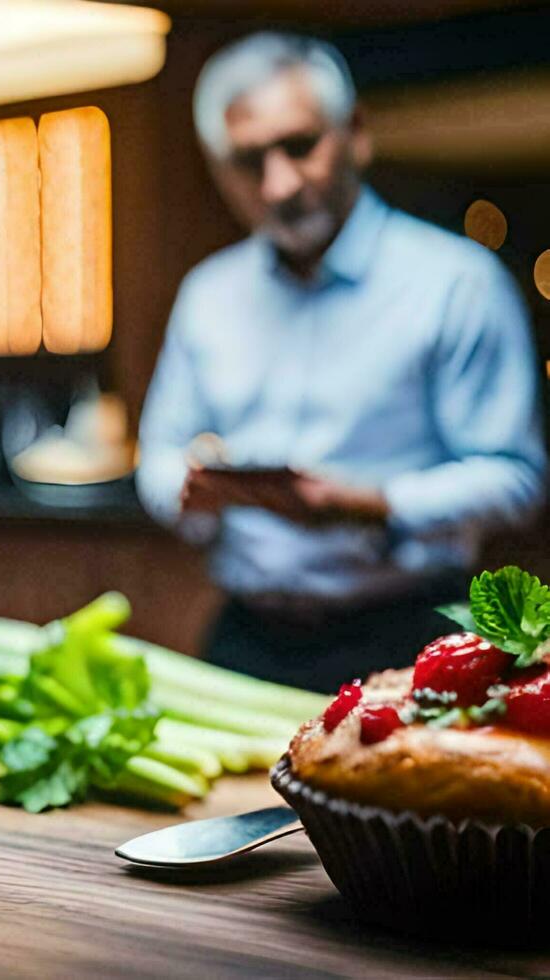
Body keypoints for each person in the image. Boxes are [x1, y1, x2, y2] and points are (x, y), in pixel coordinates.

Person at [136, 32, 545, 691]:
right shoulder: (207, 295)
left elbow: (517, 479)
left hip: (410, 636)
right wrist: (192, 488)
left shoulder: (457, 282)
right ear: (219, 170)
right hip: (246, 639)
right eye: (248, 160)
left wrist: (372, 503)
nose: (280, 184)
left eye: (300, 146)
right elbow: (156, 456)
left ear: (354, 133)